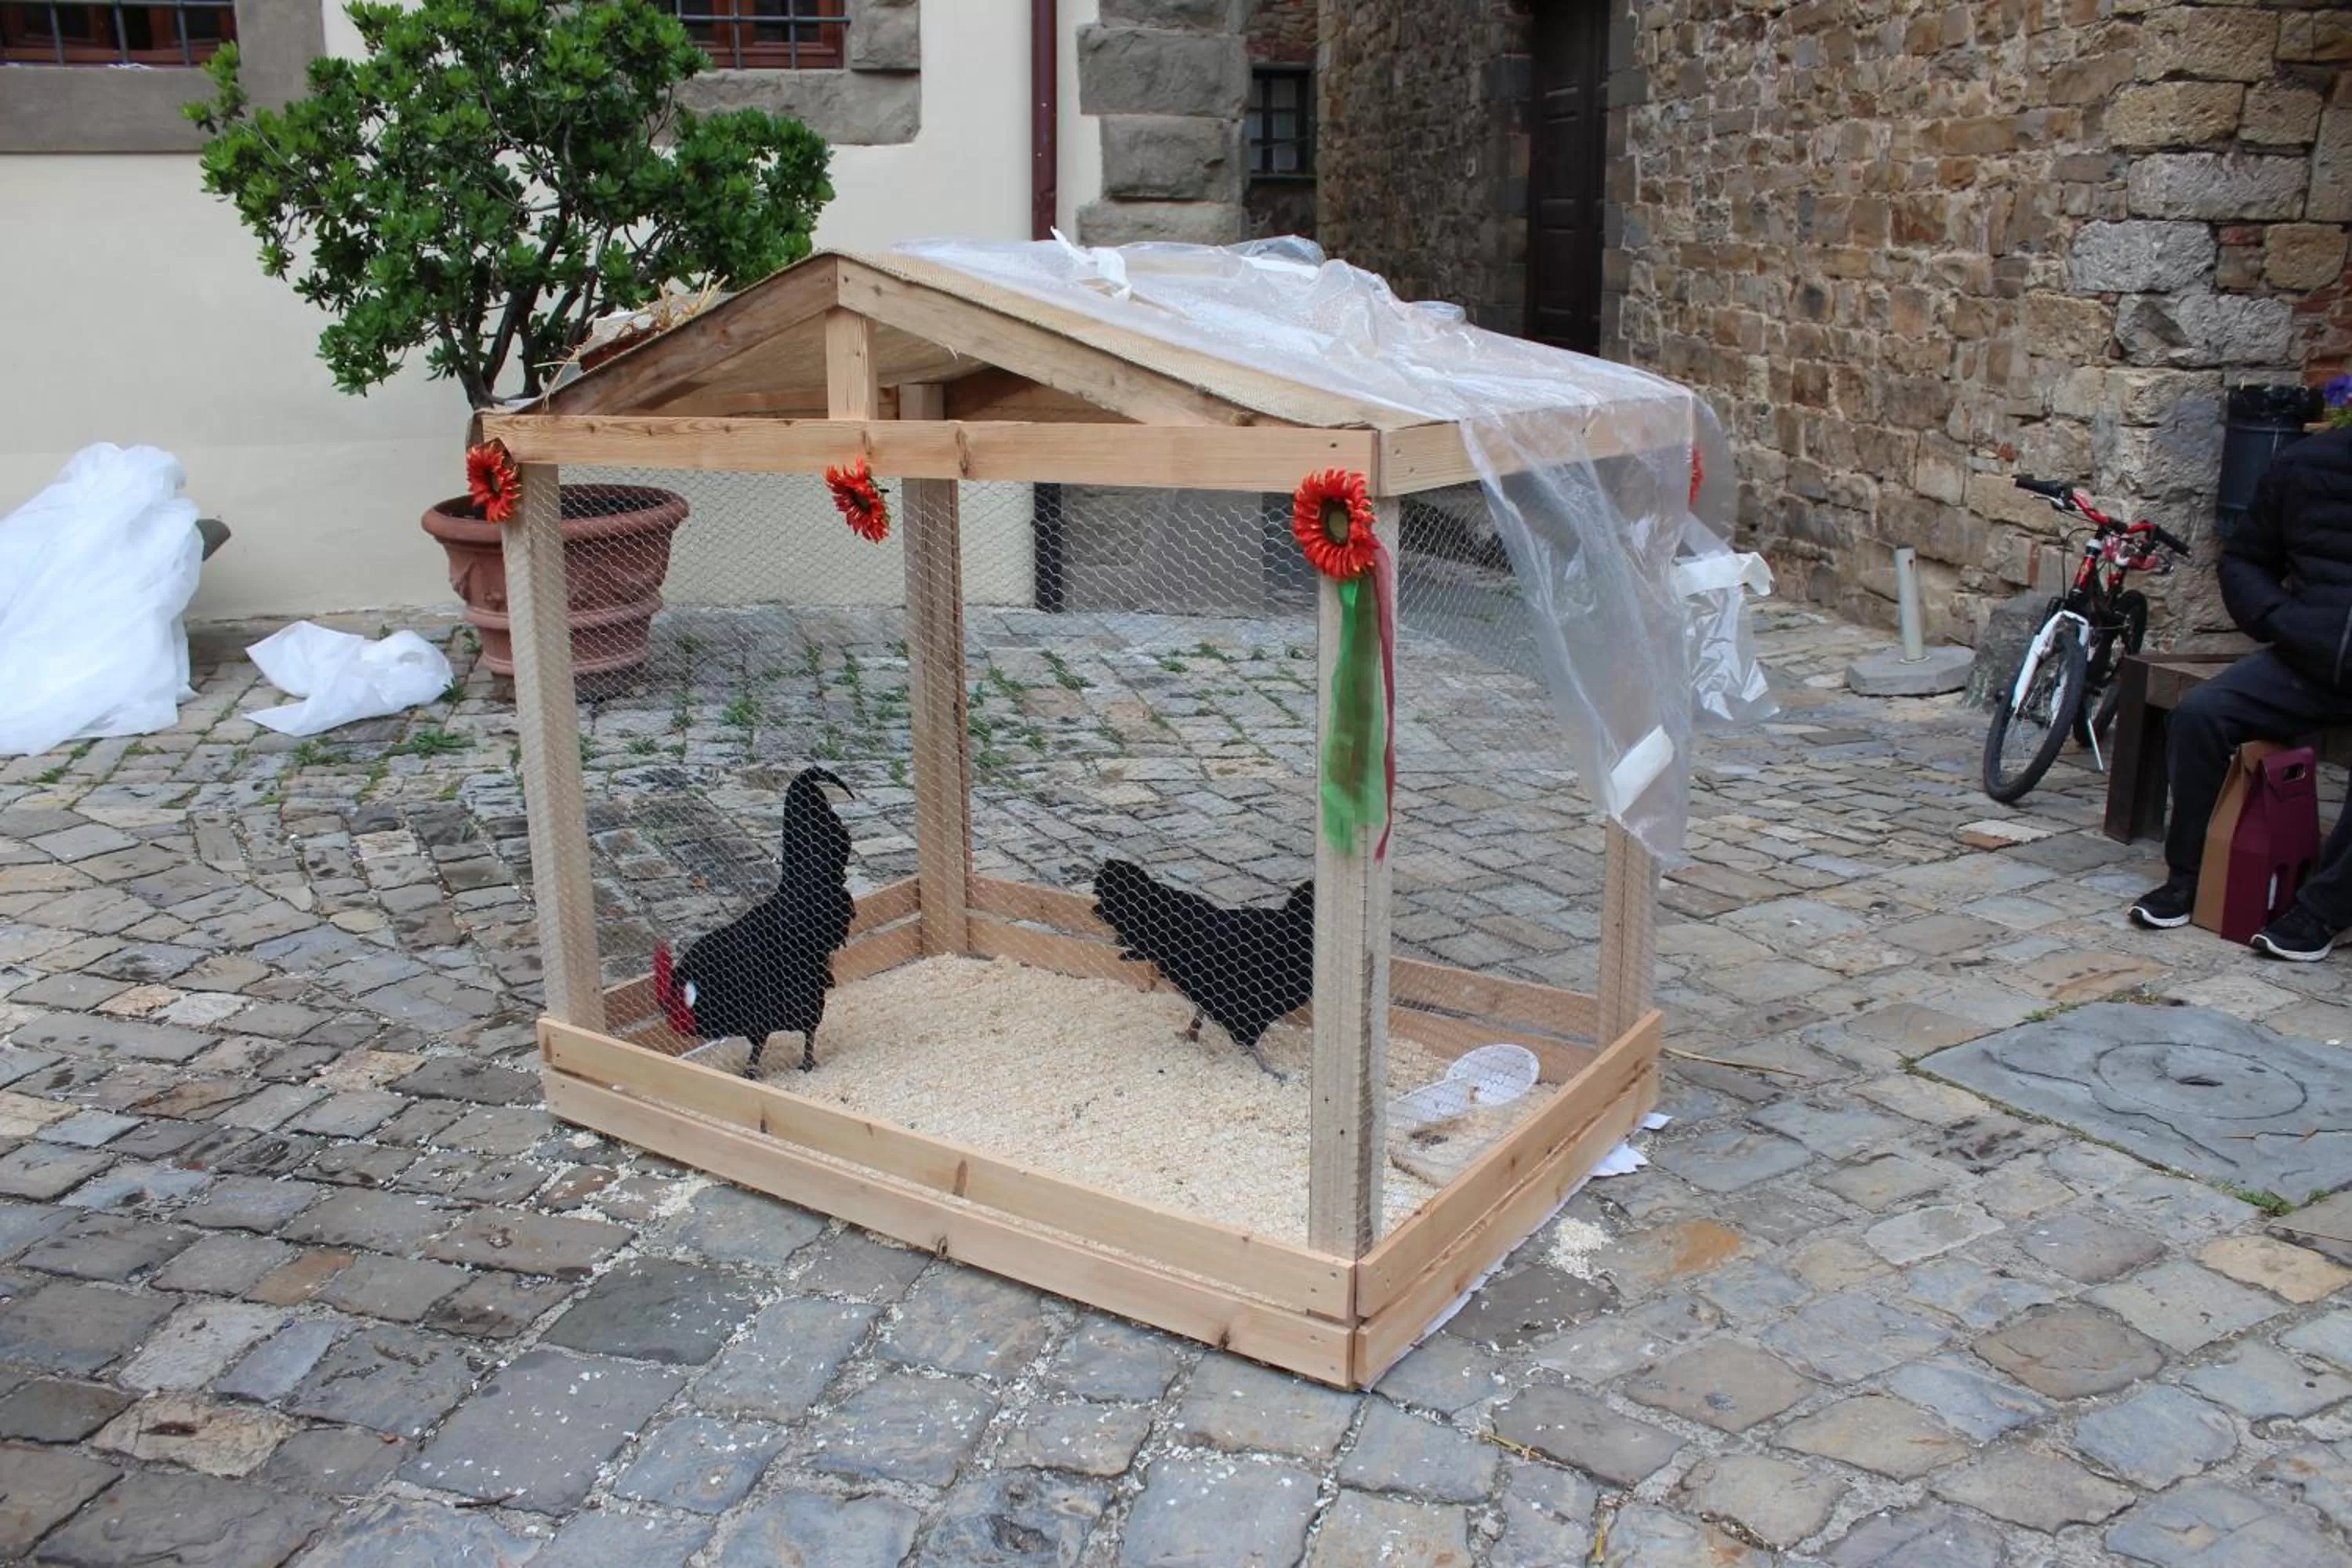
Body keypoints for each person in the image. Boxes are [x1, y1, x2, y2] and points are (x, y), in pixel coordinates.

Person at [2130, 422, 2352, 960]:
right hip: (2309, 659)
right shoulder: (2307, 464)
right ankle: (2191, 876)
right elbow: (2246, 559)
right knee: (2202, 714)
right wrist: (2279, 619)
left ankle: (2325, 911)